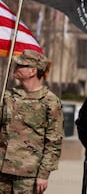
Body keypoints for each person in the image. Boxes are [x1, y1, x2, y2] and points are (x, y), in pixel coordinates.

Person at [0, 49, 64, 193]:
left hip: (28, 174)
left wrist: (44, 174)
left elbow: (54, 142)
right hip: (2, 170)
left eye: (21, 65)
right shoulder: (8, 96)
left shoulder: (50, 101)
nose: (15, 68)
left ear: (33, 71)